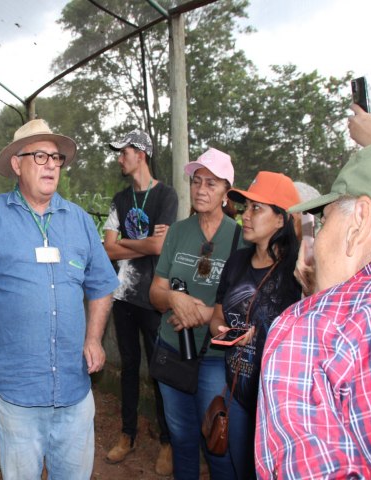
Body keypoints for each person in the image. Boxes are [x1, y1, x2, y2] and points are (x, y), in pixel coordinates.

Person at [0, 119, 120, 480]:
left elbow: (101, 284)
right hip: (18, 393)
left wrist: (94, 338)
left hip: (74, 390)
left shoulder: (79, 221)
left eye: (57, 157)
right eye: (40, 155)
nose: (51, 164)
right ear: (17, 164)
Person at [255, 144, 371, 479]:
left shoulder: (310, 329)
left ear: (359, 222)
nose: (316, 238)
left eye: (323, 220)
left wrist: (318, 304)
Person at [149, 147, 242, 480]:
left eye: (212, 184)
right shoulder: (177, 232)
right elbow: (155, 293)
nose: (201, 190)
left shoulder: (240, 238)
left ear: (226, 193)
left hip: (216, 356)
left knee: (217, 443)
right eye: (197, 181)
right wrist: (176, 299)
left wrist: (202, 314)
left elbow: (246, 305)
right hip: (173, 348)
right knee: (182, 439)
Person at [208, 171, 302, 479]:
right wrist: (222, 332)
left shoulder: (300, 272)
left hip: (276, 403)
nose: (245, 216)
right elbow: (218, 316)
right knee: (236, 464)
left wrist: (261, 339)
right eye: (245, 207)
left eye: (256, 208)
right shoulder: (236, 261)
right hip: (237, 391)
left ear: (280, 219)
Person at [102, 129, 178, 475]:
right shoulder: (119, 200)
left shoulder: (166, 196)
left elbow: (162, 248)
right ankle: (127, 434)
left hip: (154, 298)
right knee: (129, 368)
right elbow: (107, 248)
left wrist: (133, 245)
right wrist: (144, 242)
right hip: (123, 297)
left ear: (141, 154)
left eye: (124, 152)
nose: (120, 158)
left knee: (159, 371)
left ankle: (167, 442)